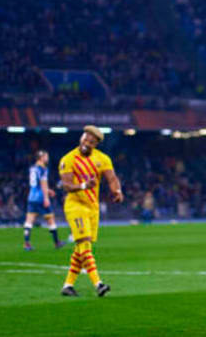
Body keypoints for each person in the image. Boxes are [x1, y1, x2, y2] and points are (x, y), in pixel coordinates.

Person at [59, 126, 124, 297]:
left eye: (92, 142)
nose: (88, 143)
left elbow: (112, 178)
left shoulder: (102, 159)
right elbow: (66, 185)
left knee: (80, 249)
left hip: (92, 208)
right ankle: (98, 284)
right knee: (85, 245)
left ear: (95, 144)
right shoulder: (68, 159)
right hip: (75, 205)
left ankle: (67, 286)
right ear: (81, 138)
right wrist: (82, 186)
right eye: (86, 139)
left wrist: (117, 191)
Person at [24, 150, 64, 250]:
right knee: (50, 219)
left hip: (31, 197)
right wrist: (46, 197)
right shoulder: (43, 169)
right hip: (41, 198)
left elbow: (36, 184)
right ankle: (56, 242)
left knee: (29, 220)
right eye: (46, 156)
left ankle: (27, 243)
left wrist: (48, 190)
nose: (48, 158)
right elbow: (43, 183)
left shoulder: (32, 168)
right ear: (41, 158)